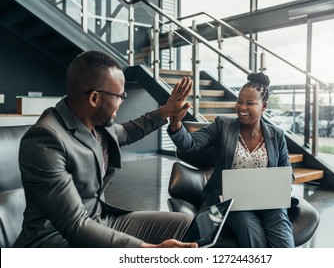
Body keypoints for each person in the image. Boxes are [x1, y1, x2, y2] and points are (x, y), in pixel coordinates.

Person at [13, 50, 196, 248]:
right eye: (120, 96)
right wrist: (145, 250)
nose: (121, 102)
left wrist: (165, 112)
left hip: (99, 220)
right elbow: (74, 224)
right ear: (94, 98)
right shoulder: (45, 140)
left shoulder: (97, 122)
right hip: (58, 240)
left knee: (186, 224)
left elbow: (126, 132)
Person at [168, 72, 295, 248]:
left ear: (264, 106)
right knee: (250, 228)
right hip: (231, 202)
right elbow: (189, 143)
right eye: (239, 101)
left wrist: (282, 186)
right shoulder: (223, 127)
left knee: (281, 229)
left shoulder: (276, 135)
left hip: (267, 201)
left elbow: (287, 173)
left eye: (250, 103)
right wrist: (175, 123)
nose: (242, 107)